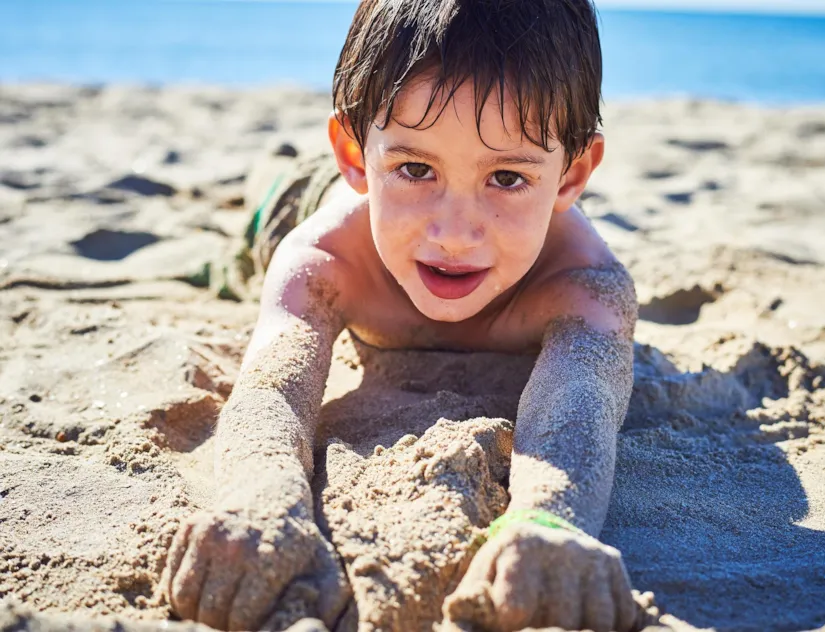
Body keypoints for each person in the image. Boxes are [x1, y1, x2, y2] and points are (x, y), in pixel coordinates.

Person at [161, 0, 639, 630]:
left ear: (572, 174)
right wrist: (261, 495)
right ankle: (276, 171)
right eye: (415, 169)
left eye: (507, 177)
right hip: (296, 201)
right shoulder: (326, 260)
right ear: (357, 155)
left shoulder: (585, 287)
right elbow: (273, 388)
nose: (455, 234)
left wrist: (548, 520)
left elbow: (584, 396)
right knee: (260, 209)